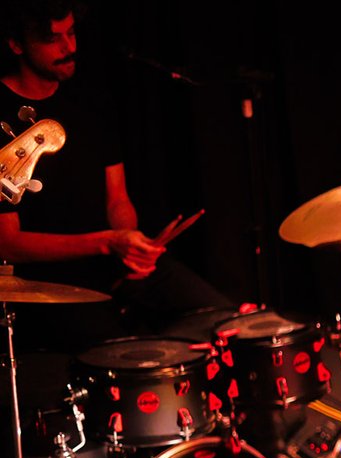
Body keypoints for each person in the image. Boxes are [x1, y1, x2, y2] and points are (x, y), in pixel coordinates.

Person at [0, 1, 231, 347]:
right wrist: (108, 242)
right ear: (17, 45)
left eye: (72, 33)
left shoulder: (90, 99)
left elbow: (118, 198)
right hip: (43, 284)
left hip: (111, 265)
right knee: (134, 361)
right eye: (53, 39)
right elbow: (8, 242)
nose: (69, 48)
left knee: (224, 322)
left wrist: (132, 244)